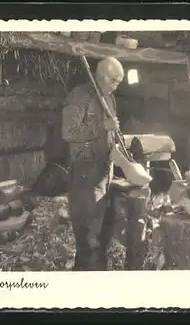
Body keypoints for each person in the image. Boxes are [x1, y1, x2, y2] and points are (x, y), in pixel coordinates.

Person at [61, 57, 124, 270]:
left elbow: (111, 133)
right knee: (87, 236)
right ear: (102, 76)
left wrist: (117, 149)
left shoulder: (110, 99)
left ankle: (97, 275)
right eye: (114, 80)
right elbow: (68, 132)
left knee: (103, 233)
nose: (117, 85)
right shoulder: (79, 97)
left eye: (119, 81)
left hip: (105, 172)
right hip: (85, 174)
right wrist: (101, 126)